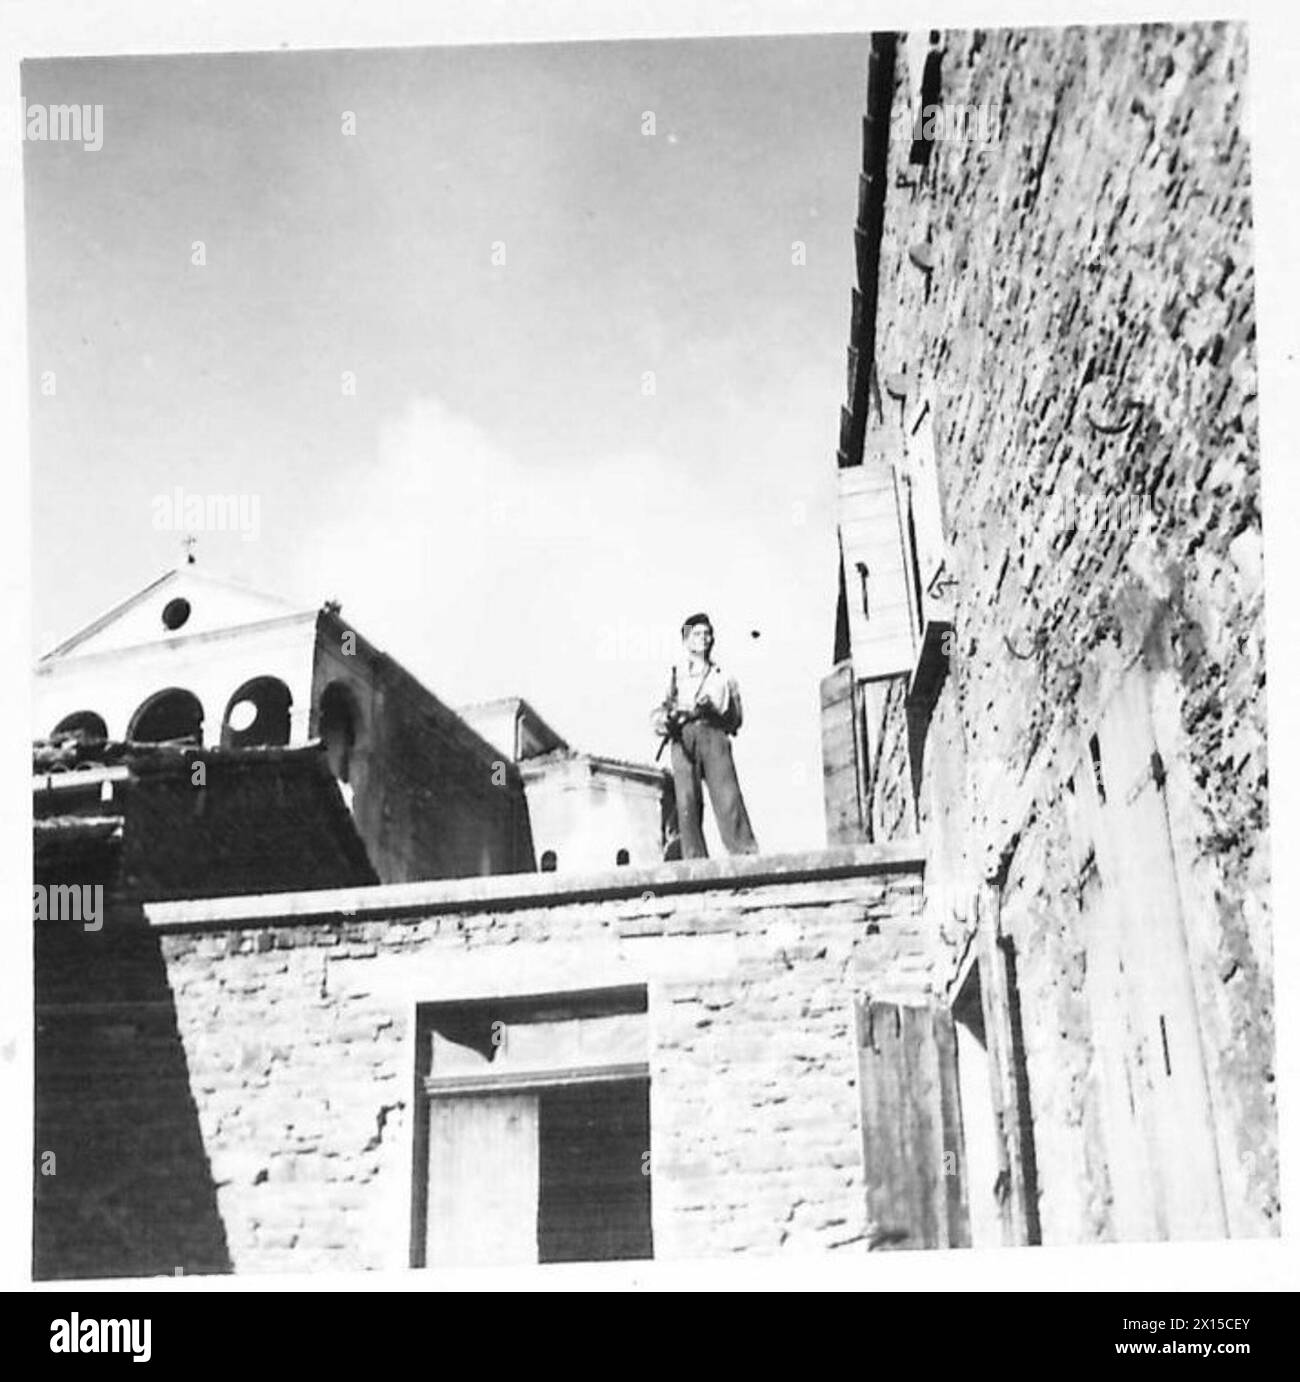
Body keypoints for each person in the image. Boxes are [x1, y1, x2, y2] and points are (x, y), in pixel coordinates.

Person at [651, 612, 758, 858]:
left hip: (713, 734)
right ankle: (694, 859)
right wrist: (669, 719)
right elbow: (657, 713)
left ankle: (744, 854)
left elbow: (736, 718)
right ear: (686, 641)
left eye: (708, 634)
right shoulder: (673, 674)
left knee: (727, 795)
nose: (704, 639)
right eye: (697, 634)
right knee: (686, 800)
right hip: (682, 737)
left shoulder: (723, 675)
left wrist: (713, 708)